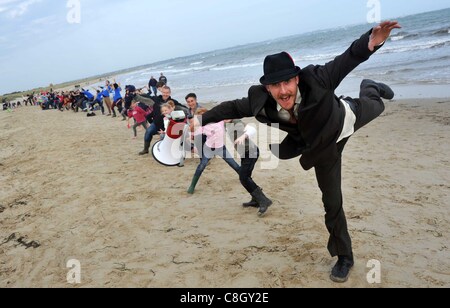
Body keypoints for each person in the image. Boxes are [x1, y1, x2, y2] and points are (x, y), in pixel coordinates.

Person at [196, 21, 401, 283]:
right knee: (332, 201)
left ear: (296, 78)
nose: (283, 91)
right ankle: (345, 257)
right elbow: (232, 108)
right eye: (275, 86)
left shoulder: (318, 78)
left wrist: (372, 41)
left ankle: (370, 87)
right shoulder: (261, 101)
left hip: (344, 120)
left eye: (287, 82)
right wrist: (201, 121)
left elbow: (347, 58)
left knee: (376, 105)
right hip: (322, 148)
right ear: (267, 88)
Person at [188, 108, 241, 194]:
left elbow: (228, 118)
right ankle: (192, 185)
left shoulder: (219, 121)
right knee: (201, 166)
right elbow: (194, 132)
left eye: (205, 115)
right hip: (209, 149)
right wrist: (191, 133)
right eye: (202, 116)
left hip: (221, 148)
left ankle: (244, 177)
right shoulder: (202, 126)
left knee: (233, 163)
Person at [227, 120, 272, 216]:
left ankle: (263, 200)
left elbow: (252, 129)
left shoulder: (236, 122)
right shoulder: (225, 124)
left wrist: (244, 136)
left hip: (251, 152)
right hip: (245, 154)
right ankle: (255, 200)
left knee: (243, 177)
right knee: (247, 177)